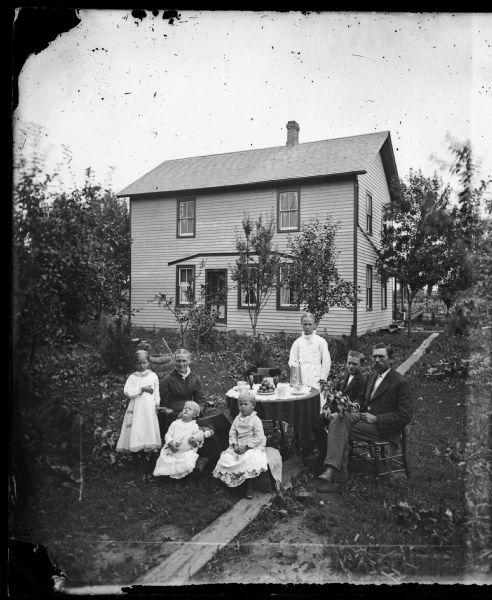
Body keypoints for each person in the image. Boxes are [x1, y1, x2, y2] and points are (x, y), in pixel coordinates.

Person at [316, 342, 415, 492]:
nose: (377, 360)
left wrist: (377, 419)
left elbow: (405, 415)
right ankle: (333, 471)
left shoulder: (400, 382)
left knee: (340, 426)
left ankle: (336, 475)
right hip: (363, 417)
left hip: (383, 427)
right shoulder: (372, 377)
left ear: (391, 359)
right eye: (374, 356)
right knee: (340, 418)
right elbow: (362, 399)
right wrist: (353, 406)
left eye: (381, 356)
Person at [157, 349, 230, 472]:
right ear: (174, 361)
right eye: (178, 361)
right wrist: (177, 415)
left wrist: (198, 412)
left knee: (219, 418)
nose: (181, 364)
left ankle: (227, 451)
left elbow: (201, 400)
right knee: (205, 426)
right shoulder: (167, 380)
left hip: (194, 411)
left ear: (190, 361)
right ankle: (212, 458)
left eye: (184, 361)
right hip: (179, 415)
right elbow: (164, 406)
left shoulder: (194, 379)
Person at [312, 350, 367, 466]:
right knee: (315, 423)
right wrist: (327, 407)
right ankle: (325, 451)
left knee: (334, 425)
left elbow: (360, 398)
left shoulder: (362, 380)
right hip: (335, 409)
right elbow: (334, 392)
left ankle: (334, 457)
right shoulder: (345, 375)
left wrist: (354, 405)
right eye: (349, 363)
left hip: (348, 413)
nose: (351, 366)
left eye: (354, 364)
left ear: (361, 365)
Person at [213, 390, 268, 499]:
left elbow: (259, 437)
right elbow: (232, 434)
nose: (242, 407)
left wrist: (247, 447)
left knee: (249, 459)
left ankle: (249, 485)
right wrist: (234, 445)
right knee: (226, 458)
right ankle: (228, 483)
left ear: (253, 406)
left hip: (252, 445)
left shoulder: (255, 420)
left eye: (246, 404)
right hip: (238, 445)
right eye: (240, 404)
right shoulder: (237, 419)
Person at [116, 350, 161, 472]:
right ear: (135, 364)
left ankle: (149, 462)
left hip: (149, 410)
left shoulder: (153, 376)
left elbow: (156, 393)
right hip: (136, 409)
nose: (141, 366)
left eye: (144, 363)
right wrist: (141, 389)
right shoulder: (132, 377)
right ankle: (136, 460)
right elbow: (127, 392)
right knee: (137, 430)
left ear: (148, 363)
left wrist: (156, 405)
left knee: (148, 430)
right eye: (139, 363)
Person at [153, 401, 212, 480]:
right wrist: (171, 443)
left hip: (186, 450)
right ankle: (168, 475)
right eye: (185, 408)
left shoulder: (194, 426)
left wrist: (193, 442)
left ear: (195, 414)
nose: (186, 410)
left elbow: (197, 440)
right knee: (167, 460)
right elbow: (168, 434)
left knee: (187, 459)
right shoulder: (175, 423)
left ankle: (184, 475)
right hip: (172, 449)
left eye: (189, 409)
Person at [288, 312, 331, 393]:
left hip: (316, 378)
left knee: (316, 401)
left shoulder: (321, 341)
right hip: (301, 378)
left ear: (315, 325)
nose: (307, 327)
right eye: (305, 324)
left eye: (310, 324)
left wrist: (323, 379)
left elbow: (326, 362)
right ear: (301, 324)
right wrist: (296, 379)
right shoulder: (297, 342)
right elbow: (293, 361)